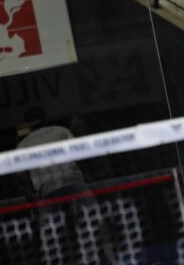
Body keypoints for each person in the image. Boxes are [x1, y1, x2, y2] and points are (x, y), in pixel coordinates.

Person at [17, 109, 116, 263]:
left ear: (27, 124)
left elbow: (20, 175)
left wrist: (30, 198)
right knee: (94, 217)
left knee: (48, 232)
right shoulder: (61, 130)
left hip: (46, 188)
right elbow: (79, 152)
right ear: (44, 118)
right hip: (72, 180)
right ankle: (109, 258)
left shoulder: (23, 145)